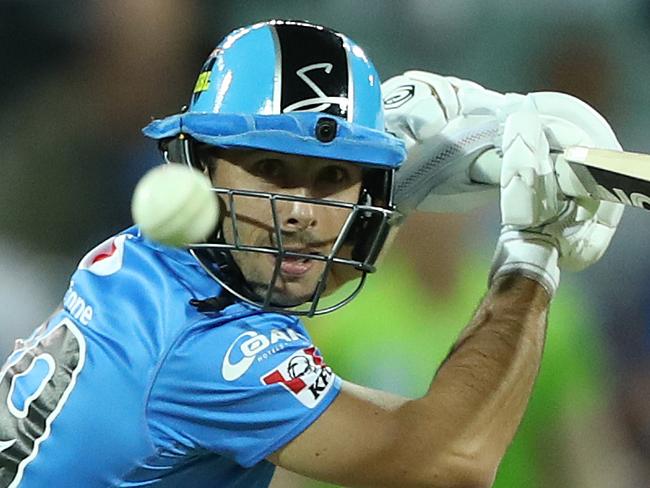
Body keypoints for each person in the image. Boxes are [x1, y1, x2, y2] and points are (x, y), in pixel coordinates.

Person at [0, 19, 623, 488]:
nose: (300, 213)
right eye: (271, 169)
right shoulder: (205, 351)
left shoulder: (145, 262)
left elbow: (280, 261)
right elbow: (450, 459)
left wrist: (410, 176)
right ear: (202, 167)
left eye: (332, 178)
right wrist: (531, 253)